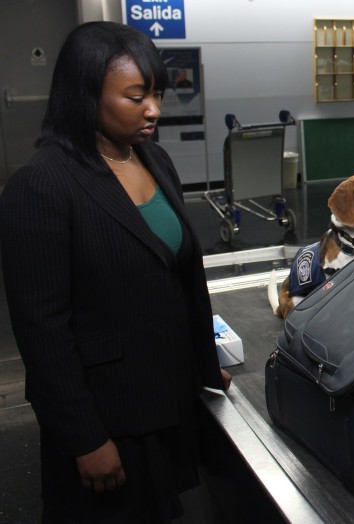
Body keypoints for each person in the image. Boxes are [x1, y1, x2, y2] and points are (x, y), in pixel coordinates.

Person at [0, 22, 231, 522]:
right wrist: (84, 437)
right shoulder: (40, 187)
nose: (154, 109)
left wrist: (204, 368)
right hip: (110, 420)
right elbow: (42, 332)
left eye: (157, 94)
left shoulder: (155, 159)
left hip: (168, 401)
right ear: (85, 96)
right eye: (136, 96)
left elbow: (180, 281)